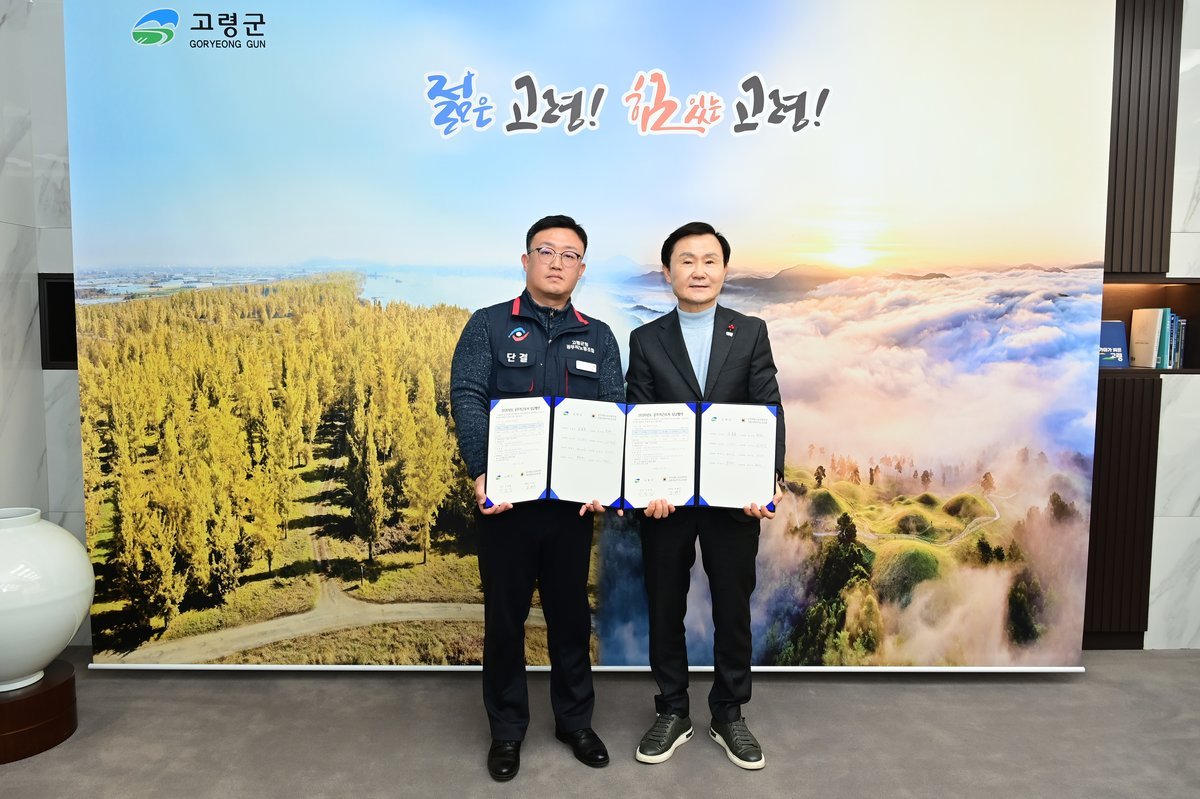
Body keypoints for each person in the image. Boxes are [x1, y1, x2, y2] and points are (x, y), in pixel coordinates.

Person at [449, 214, 623, 782]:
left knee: (572, 619)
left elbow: (612, 412)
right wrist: (481, 470)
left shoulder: (600, 336)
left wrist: (607, 481)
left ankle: (575, 722)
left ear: (581, 269)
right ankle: (506, 731)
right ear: (525, 261)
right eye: (546, 251)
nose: (557, 262)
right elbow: (467, 395)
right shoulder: (488, 325)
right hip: (508, 509)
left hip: (572, 512)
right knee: (505, 620)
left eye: (570, 254)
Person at [625, 221, 785, 770]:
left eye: (709, 260)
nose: (699, 270)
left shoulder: (751, 331)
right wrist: (646, 486)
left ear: (724, 270)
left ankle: (728, 713)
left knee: (733, 608)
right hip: (665, 503)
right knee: (664, 605)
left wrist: (766, 479)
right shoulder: (646, 339)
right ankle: (672, 709)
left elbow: (768, 407)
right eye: (686, 261)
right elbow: (640, 416)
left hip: (732, 499)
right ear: (667, 272)